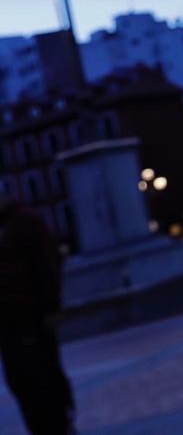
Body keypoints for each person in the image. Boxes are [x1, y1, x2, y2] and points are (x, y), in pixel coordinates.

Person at [0, 181, 76, 435]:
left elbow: (47, 265)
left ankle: (60, 425)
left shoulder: (24, 223)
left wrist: (51, 307)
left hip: (32, 317)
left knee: (42, 379)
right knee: (21, 381)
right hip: (9, 324)